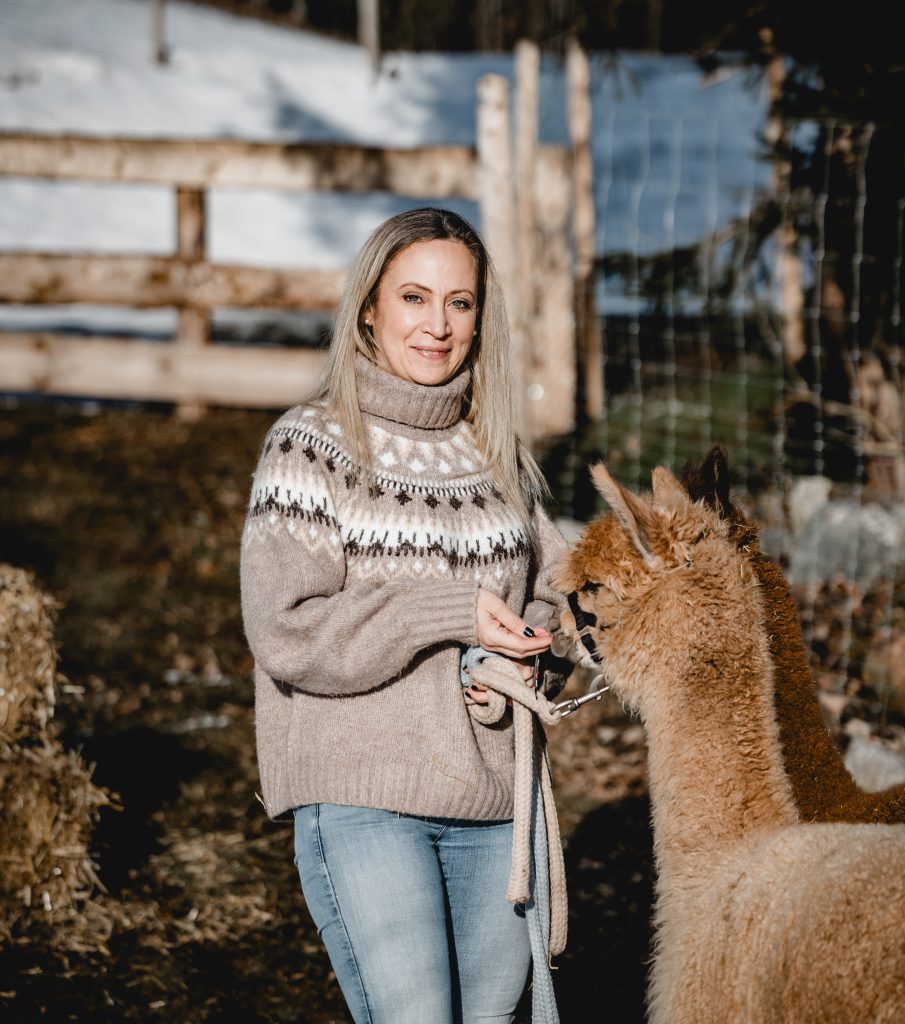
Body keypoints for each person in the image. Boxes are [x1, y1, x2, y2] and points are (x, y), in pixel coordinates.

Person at [239, 206, 571, 1024]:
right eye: (414, 298)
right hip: (362, 795)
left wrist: (531, 646)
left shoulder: (497, 457)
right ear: (369, 309)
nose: (437, 325)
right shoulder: (310, 446)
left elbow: (563, 592)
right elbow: (288, 631)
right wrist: (454, 610)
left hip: (496, 797)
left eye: (459, 303)